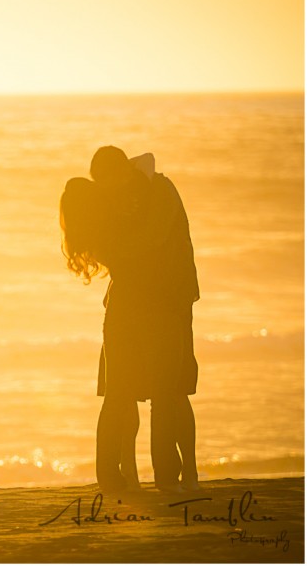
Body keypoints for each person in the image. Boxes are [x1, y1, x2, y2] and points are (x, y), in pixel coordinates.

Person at [59, 148, 200, 494]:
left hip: (163, 302)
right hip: (140, 305)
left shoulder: (156, 191)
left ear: (123, 171)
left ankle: (162, 475)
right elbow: (140, 247)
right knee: (131, 394)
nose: (110, 190)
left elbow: (151, 239)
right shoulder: (115, 206)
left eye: (113, 182)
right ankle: (120, 477)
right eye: (103, 186)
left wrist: (118, 231)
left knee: (160, 393)